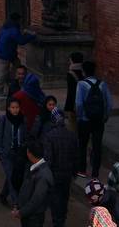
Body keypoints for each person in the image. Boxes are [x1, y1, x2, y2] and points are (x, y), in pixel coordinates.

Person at [40, 95, 80, 227]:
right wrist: (74, 172)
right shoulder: (72, 136)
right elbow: (76, 156)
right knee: (64, 198)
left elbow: (49, 158)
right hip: (67, 174)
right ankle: (61, 221)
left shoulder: (50, 136)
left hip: (55, 174)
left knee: (55, 199)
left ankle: (57, 222)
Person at [75, 60, 113, 179]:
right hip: (98, 120)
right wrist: (105, 117)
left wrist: (80, 117)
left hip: (85, 121)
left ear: (84, 71)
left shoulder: (81, 84)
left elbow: (79, 104)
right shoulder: (103, 84)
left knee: (82, 145)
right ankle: (95, 173)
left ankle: (82, 170)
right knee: (97, 146)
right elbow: (109, 103)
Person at [0, 96, 30, 207]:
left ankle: (3, 195)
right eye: (13, 107)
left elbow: (25, 136)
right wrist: (0, 151)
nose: (15, 110)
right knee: (11, 176)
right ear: (8, 108)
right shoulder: (3, 119)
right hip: (6, 153)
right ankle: (16, 202)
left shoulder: (23, 120)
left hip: (19, 154)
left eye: (17, 107)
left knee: (11, 176)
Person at [0, 13, 37, 95]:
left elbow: (15, 37)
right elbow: (21, 41)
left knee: (17, 65)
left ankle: (12, 81)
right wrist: (32, 36)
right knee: (4, 72)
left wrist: (23, 34)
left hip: (4, 51)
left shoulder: (6, 26)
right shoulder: (14, 29)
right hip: (6, 54)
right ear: (18, 20)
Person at [14, 139, 53, 227]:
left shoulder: (43, 174)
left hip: (34, 218)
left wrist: (21, 212)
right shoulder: (34, 167)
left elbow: (36, 200)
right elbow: (25, 190)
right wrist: (18, 205)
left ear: (29, 153)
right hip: (28, 214)